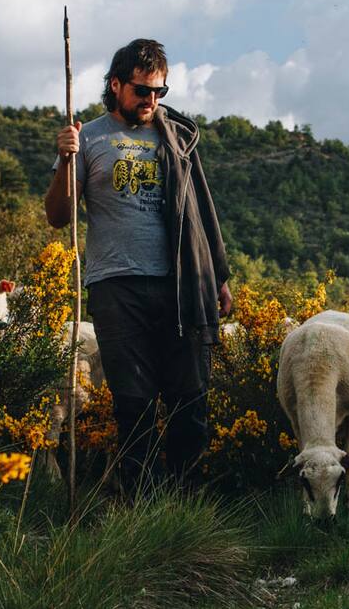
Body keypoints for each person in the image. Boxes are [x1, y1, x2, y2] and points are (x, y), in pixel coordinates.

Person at [46, 38, 233, 494]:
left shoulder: (178, 137)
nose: (151, 100)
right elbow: (58, 216)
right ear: (116, 85)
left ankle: (186, 503)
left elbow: (201, 211)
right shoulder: (88, 138)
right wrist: (65, 160)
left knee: (190, 399)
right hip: (116, 287)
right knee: (134, 404)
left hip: (181, 284)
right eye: (142, 90)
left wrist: (218, 278)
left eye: (159, 91)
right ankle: (141, 508)